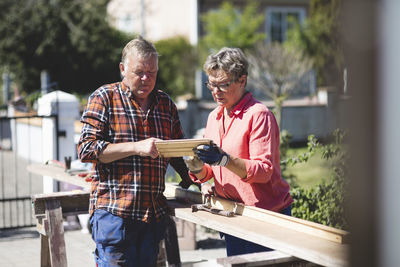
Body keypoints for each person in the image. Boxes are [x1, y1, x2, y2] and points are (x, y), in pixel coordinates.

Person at [77, 36, 193, 267]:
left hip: (152, 215)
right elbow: (86, 149)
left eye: (152, 72)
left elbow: (177, 149)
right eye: (139, 72)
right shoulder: (105, 98)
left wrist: (192, 178)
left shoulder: (165, 104)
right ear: (123, 68)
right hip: (115, 213)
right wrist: (136, 147)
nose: (146, 79)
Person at [184, 47, 293, 257]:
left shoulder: (258, 115)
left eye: (223, 85)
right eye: (211, 85)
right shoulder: (214, 117)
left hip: (264, 216)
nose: (216, 91)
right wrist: (198, 170)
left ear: (242, 80)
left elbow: (263, 172)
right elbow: (211, 172)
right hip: (232, 211)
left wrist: (225, 159)